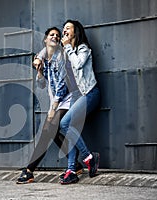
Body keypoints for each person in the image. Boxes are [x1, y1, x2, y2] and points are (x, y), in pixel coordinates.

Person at [16, 27, 83, 184]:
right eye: (51, 35)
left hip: (68, 99)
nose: (55, 36)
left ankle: (29, 170)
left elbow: (62, 86)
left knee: (48, 131)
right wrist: (39, 71)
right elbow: (41, 85)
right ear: (45, 39)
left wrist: (53, 109)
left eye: (57, 35)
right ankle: (76, 163)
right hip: (58, 101)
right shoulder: (44, 57)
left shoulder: (61, 57)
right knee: (52, 132)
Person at [57, 19, 101, 184]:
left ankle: (89, 157)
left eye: (68, 28)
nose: (65, 30)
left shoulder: (83, 49)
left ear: (76, 31)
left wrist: (67, 46)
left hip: (90, 93)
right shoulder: (66, 53)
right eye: (64, 29)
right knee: (70, 129)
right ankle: (71, 170)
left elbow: (79, 64)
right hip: (77, 96)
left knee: (65, 124)